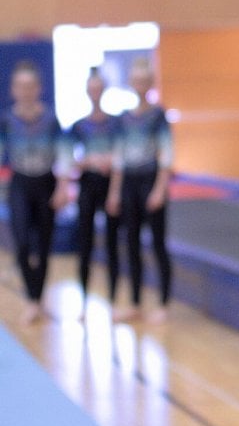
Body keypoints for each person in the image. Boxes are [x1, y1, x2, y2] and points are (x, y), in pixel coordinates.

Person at [0, 60, 70, 324]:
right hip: (20, 184)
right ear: (13, 89)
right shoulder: (7, 120)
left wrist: (62, 188)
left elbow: (63, 155)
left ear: (38, 88)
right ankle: (30, 295)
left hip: (45, 184)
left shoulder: (51, 119)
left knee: (42, 246)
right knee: (22, 244)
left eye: (30, 86)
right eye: (20, 86)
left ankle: (36, 299)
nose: (25, 91)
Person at [106, 58, 174, 323]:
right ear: (131, 84)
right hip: (130, 184)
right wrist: (114, 192)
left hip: (150, 180)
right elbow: (119, 159)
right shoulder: (124, 119)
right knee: (131, 243)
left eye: (145, 81)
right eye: (136, 81)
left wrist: (160, 189)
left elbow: (167, 155)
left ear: (151, 84)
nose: (140, 86)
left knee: (158, 244)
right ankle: (135, 302)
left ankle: (164, 303)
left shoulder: (158, 116)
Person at [68, 68, 121, 318]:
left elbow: (120, 155)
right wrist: (88, 160)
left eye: (99, 88)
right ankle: (83, 300)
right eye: (92, 89)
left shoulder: (115, 124)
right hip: (88, 186)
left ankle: (112, 300)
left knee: (111, 244)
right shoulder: (79, 126)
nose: (95, 93)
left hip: (109, 186)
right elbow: (68, 159)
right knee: (85, 244)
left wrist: (114, 191)